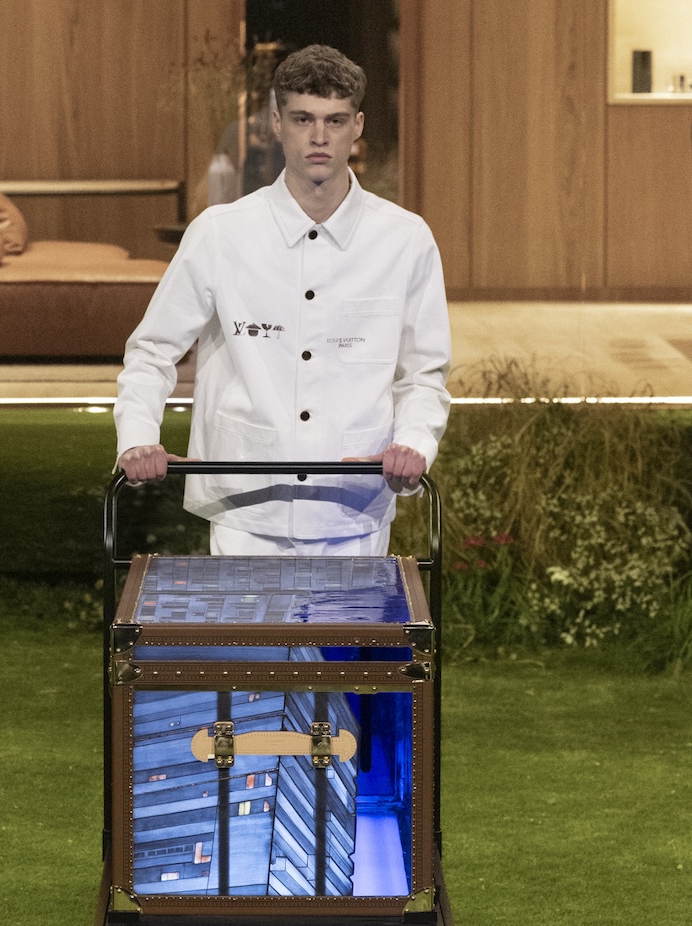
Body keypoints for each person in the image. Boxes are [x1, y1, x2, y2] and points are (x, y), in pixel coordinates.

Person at [114, 44, 451, 556]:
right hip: (243, 505)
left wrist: (414, 444)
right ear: (276, 122)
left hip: (353, 508)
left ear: (357, 126)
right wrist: (138, 436)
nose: (319, 137)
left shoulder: (405, 239)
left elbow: (424, 373)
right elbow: (151, 351)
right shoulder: (221, 233)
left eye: (335, 120)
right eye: (302, 119)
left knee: (353, 615)